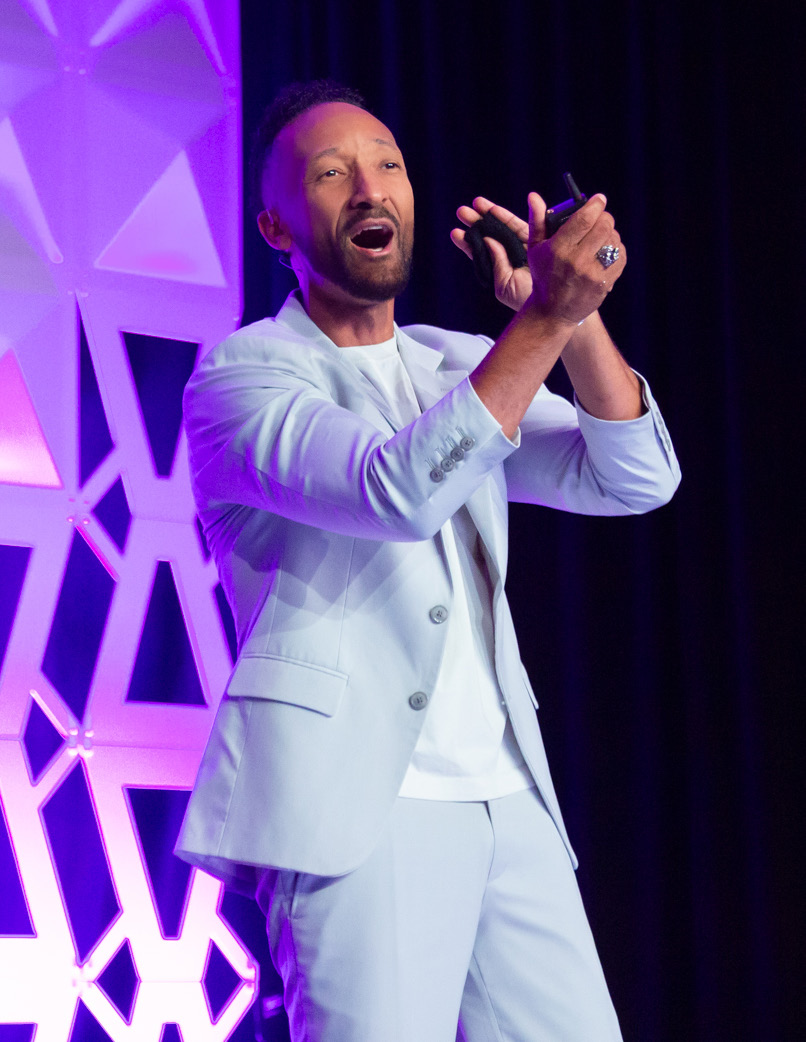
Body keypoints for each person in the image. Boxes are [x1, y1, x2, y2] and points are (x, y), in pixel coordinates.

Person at [176, 80, 680, 1041]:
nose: (370, 189)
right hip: (359, 809)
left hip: (506, 793)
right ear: (276, 225)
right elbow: (394, 491)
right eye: (331, 174)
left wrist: (570, 319)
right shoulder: (239, 378)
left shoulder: (455, 361)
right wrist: (538, 328)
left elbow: (636, 477)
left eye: (389, 166)